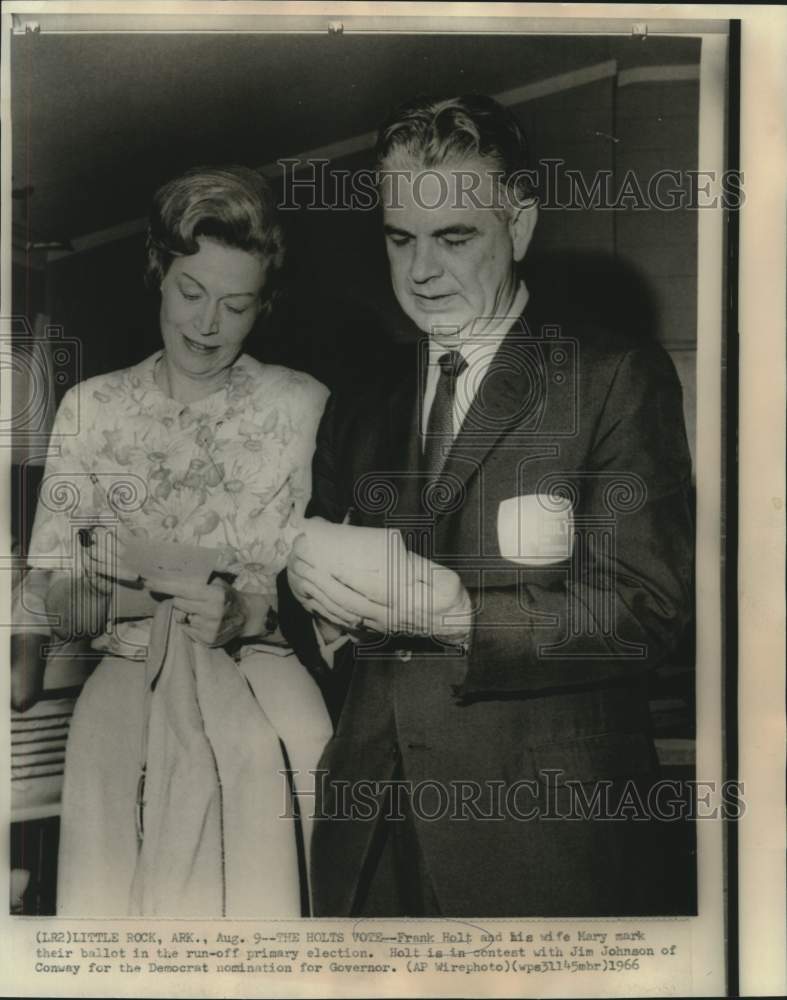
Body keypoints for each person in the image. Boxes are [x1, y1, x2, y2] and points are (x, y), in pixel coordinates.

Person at [279, 94, 695, 917]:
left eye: (455, 237)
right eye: (400, 239)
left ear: (521, 226)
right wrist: (319, 610)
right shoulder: (358, 403)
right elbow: (305, 610)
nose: (421, 270)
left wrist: (461, 613)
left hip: (543, 840)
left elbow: (642, 613)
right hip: (371, 837)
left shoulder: (611, 377)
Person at [22, 165, 332, 917]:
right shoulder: (89, 408)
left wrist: (246, 614)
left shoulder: (303, 405)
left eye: (236, 305)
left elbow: (328, 593)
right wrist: (144, 596)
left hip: (263, 685)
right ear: (158, 273)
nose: (206, 325)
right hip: (123, 691)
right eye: (191, 294)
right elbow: (54, 594)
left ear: (265, 304)